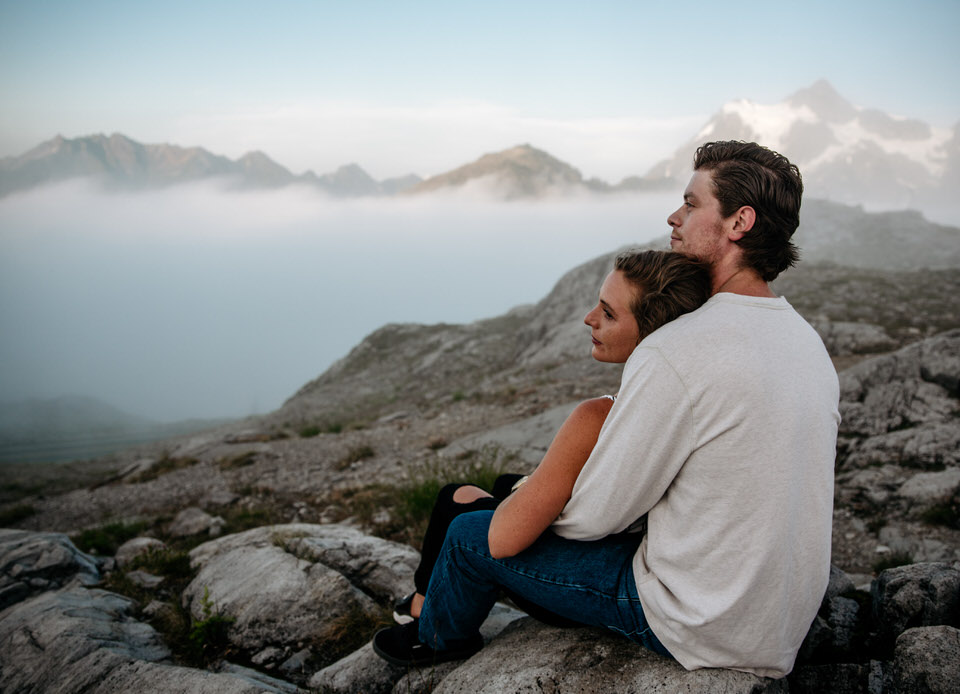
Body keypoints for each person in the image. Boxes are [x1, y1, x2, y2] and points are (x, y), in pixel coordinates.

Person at [375, 141, 841, 680]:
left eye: (691, 204)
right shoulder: (804, 341)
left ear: (739, 221)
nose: (674, 217)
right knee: (503, 499)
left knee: (469, 535)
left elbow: (595, 518)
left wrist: (522, 505)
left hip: (700, 620)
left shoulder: (680, 348)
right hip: (777, 618)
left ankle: (435, 640)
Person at [391, 249, 712, 627]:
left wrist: (534, 496)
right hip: (636, 552)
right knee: (503, 484)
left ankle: (424, 616)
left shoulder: (600, 414)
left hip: (605, 577)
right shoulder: (684, 399)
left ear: (654, 335)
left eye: (608, 314)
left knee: (456, 503)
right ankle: (423, 599)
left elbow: (513, 539)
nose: (589, 318)